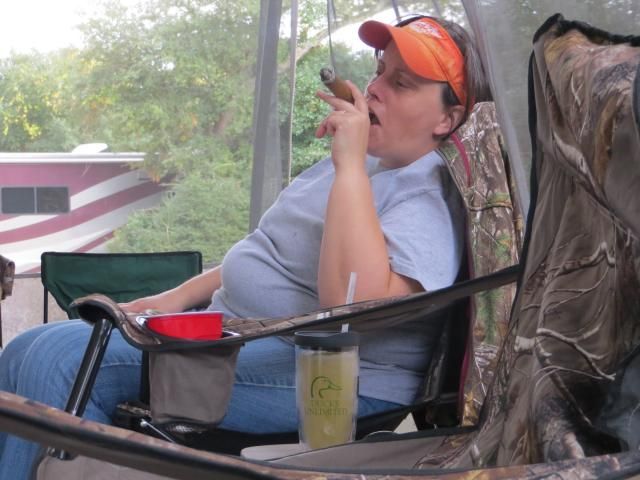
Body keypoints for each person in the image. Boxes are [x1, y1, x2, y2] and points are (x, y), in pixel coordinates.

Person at [0, 15, 486, 478]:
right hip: (240, 337)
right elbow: (269, 250)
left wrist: (350, 167)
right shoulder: (360, 165)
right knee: (23, 349)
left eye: (402, 83)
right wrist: (173, 298)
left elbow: (352, 303)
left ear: (448, 118)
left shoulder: (426, 194)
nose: (374, 87)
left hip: (329, 376)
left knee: (58, 361)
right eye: (380, 70)